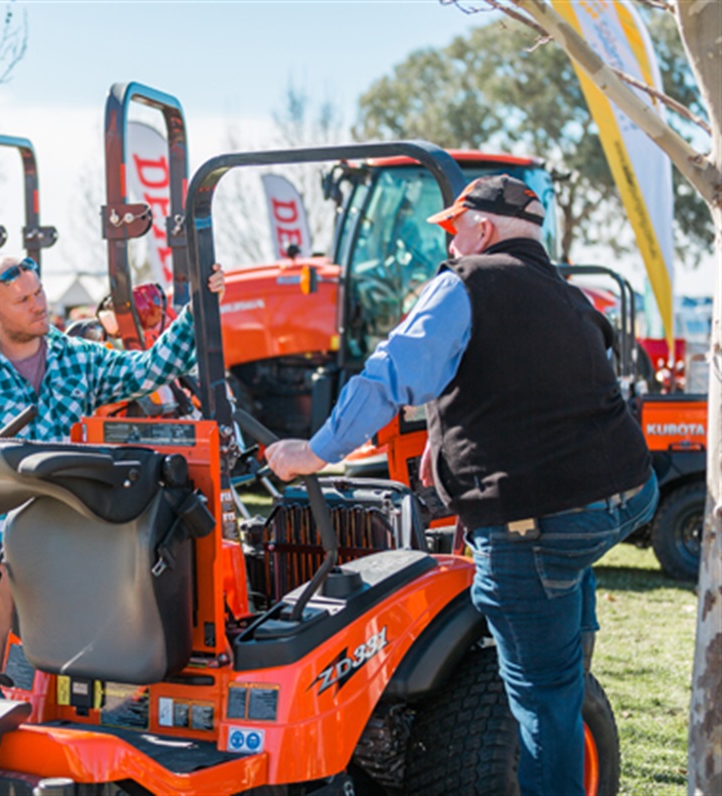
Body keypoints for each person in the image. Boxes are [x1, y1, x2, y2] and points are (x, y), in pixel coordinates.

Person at [266, 175, 658, 796]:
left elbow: (388, 376)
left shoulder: (464, 283)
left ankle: (559, 713)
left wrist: (312, 453)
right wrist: (440, 439)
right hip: (626, 496)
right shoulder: (568, 296)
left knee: (542, 700)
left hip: (536, 520)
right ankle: (571, 658)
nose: (450, 242)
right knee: (565, 599)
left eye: (455, 228)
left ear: (483, 228)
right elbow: (532, 388)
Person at [0, 254, 224, 653]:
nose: (39, 304)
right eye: (22, 299)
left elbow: (148, 370)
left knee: (72, 668)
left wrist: (197, 307)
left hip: (68, 539)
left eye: (39, 292)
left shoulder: (78, 358)